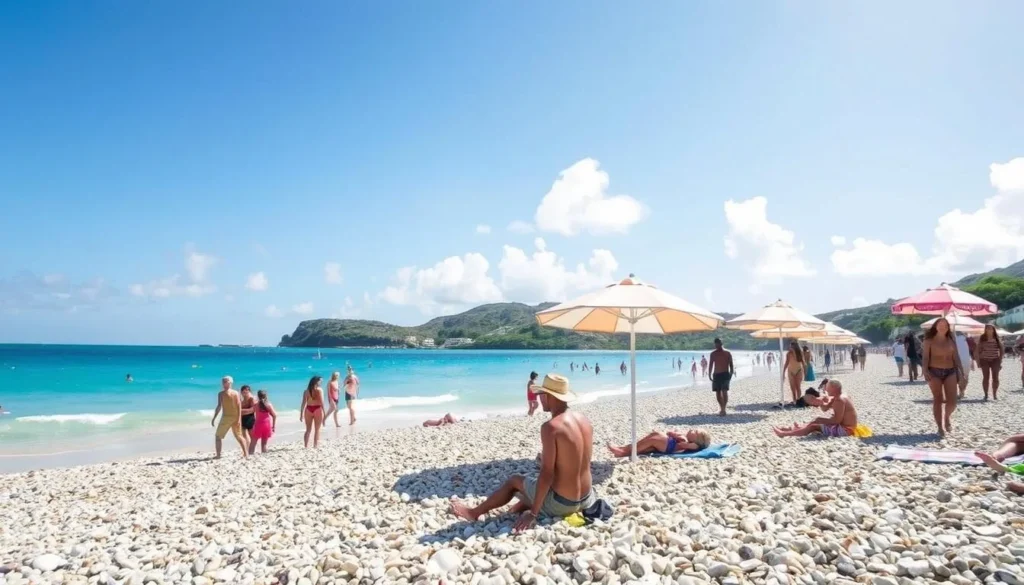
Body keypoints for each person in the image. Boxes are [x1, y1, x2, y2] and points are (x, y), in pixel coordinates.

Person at [450, 374, 595, 531]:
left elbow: (547, 474)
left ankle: (473, 513)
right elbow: (576, 460)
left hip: (563, 505)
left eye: (541, 394)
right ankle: (516, 509)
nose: (539, 398)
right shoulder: (583, 420)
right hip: (587, 499)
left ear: (549, 396)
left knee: (515, 481)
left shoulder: (551, 427)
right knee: (533, 483)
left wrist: (533, 514)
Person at [922, 317, 965, 437]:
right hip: (933, 371)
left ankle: (947, 417)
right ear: (936, 326)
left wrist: (961, 372)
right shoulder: (929, 340)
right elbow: (925, 357)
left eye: (945, 325)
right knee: (938, 399)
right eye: (940, 325)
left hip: (950, 371)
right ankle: (940, 426)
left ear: (948, 328)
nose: (943, 327)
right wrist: (925, 370)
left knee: (952, 402)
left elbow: (956, 357)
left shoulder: (951, 339)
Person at [772, 379, 858, 437]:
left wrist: (820, 420)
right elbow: (825, 409)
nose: (826, 389)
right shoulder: (841, 396)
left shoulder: (839, 400)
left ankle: (784, 434)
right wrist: (821, 403)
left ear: (834, 388)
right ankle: (793, 429)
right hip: (847, 427)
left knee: (813, 426)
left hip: (846, 430)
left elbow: (837, 421)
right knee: (816, 421)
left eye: (828, 387)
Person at [210, 376, 248, 458]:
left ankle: (246, 454)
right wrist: (214, 418)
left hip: (235, 417)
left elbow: (239, 405)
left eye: (226, 381)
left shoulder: (235, 393)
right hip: (226, 417)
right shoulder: (221, 394)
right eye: (223, 381)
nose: (224, 383)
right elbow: (219, 406)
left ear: (230, 382)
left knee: (239, 436)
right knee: (218, 436)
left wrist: (239, 419)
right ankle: (218, 455)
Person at [607, 429, 711, 457]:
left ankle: (625, 452)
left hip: (669, 446)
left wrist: (677, 436)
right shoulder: (686, 437)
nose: (692, 430)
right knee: (649, 441)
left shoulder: (692, 445)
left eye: (695, 432)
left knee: (653, 439)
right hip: (668, 444)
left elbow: (684, 445)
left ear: (697, 441)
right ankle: (624, 448)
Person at [977, 324, 1004, 401]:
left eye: (991, 328)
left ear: (993, 330)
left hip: (995, 359)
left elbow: (1001, 349)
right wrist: (978, 361)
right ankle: (986, 394)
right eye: (987, 328)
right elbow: (978, 349)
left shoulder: (996, 338)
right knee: (986, 377)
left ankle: (995, 394)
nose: (989, 330)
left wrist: (1000, 360)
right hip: (984, 359)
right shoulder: (982, 338)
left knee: (995, 377)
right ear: (985, 330)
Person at [708, 338, 734, 416]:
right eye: (715, 344)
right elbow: (711, 365)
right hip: (716, 375)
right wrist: (709, 374)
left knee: (724, 391)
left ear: (721, 343)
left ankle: (723, 409)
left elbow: (731, 365)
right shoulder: (713, 354)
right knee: (718, 392)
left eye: (718, 343)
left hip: (725, 374)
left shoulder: (727, 353)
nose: (716, 345)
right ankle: (721, 408)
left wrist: (731, 374)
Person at [299, 375, 325, 448]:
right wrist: (325, 413)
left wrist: (301, 414)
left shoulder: (306, 391)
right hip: (317, 409)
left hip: (308, 409)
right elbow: (322, 403)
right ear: (316, 382)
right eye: (320, 381)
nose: (321, 383)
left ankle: (306, 446)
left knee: (308, 429)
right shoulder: (319, 390)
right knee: (317, 429)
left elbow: (303, 403)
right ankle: (315, 445)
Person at [248, 390, 277, 454]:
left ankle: (250, 454)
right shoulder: (268, 404)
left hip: (258, 425)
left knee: (253, 442)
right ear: (266, 396)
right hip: (267, 425)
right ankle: (264, 454)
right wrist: (273, 426)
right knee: (264, 443)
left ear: (258, 396)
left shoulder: (256, 405)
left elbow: (250, 411)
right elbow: (274, 415)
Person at [954, 332, 972, 398]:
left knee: (959, 377)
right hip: (967, 360)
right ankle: (962, 391)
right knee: (965, 376)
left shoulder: (953, 339)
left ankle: (961, 391)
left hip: (959, 359)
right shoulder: (968, 339)